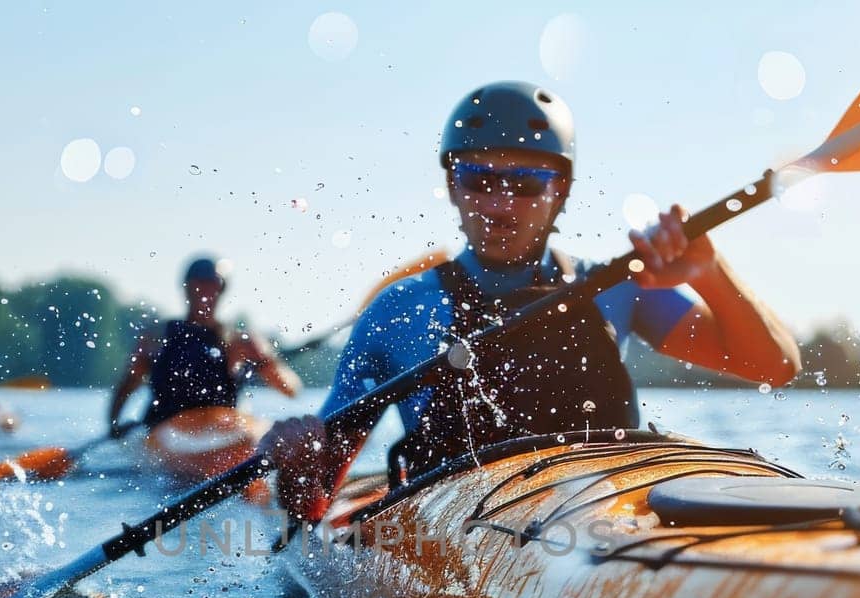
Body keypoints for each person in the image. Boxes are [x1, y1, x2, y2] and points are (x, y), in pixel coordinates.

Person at [264, 81, 800, 522]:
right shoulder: (397, 312)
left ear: (561, 191)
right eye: (479, 179)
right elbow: (311, 507)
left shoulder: (618, 288)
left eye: (527, 182)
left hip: (610, 513)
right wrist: (297, 462)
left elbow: (774, 366)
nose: (499, 204)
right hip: (461, 536)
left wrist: (710, 271)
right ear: (452, 187)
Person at [108, 257, 302, 433]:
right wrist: (114, 425)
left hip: (223, 428)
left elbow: (292, 390)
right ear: (187, 287)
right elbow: (127, 386)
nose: (206, 291)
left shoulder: (238, 342)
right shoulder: (155, 338)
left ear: (222, 290)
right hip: (164, 429)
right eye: (199, 283)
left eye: (214, 284)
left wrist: (265, 360)